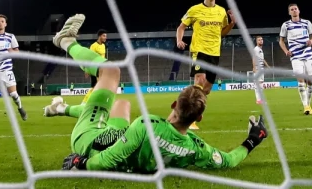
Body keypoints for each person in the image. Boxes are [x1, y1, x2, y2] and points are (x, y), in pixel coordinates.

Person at [49, 13, 268, 175]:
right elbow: (229, 160)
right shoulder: (195, 147)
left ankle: (65, 40)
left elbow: (106, 160)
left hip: (89, 139)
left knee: (111, 71)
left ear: (174, 104)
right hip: (124, 141)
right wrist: (252, 139)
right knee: (121, 105)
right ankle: (59, 108)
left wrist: (82, 163)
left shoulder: (147, 124)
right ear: (198, 118)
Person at [177, 0, 233, 129]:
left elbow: (222, 33)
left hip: (215, 52)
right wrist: (179, 39)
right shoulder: (194, 9)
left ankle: (186, 106)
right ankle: (190, 118)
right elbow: (181, 27)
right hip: (199, 50)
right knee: (199, 80)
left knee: (206, 90)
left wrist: (232, 23)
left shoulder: (221, 12)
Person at [278, 3, 312, 114]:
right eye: (292, 9)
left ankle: (308, 104)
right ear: (289, 12)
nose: (294, 11)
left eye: (295, 9)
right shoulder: (286, 25)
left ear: (299, 11)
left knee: (310, 82)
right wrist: (286, 51)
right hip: (295, 57)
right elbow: (281, 41)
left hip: (308, 56)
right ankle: (305, 106)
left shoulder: (307, 23)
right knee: (300, 80)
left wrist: (311, 41)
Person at [83, 30, 108, 102]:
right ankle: (85, 101)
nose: (105, 37)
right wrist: (87, 70)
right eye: (104, 36)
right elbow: (89, 57)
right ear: (99, 36)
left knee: (101, 86)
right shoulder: (93, 46)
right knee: (94, 86)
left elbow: (103, 58)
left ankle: (96, 101)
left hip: (102, 69)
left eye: (106, 36)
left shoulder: (103, 45)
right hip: (94, 68)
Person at [250, 35, 269, 105]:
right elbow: (253, 58)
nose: (261, 41)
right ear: (256, 41)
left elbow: (262, 59)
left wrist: (268, 66)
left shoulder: (260, 50)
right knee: (258, 85)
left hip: (261, 68)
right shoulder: (256, 49)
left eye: (261, 39)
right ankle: (258, 100)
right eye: (259, 40)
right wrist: (254, 68)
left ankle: (260, 99)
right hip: (258, 69)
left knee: (260, 84)